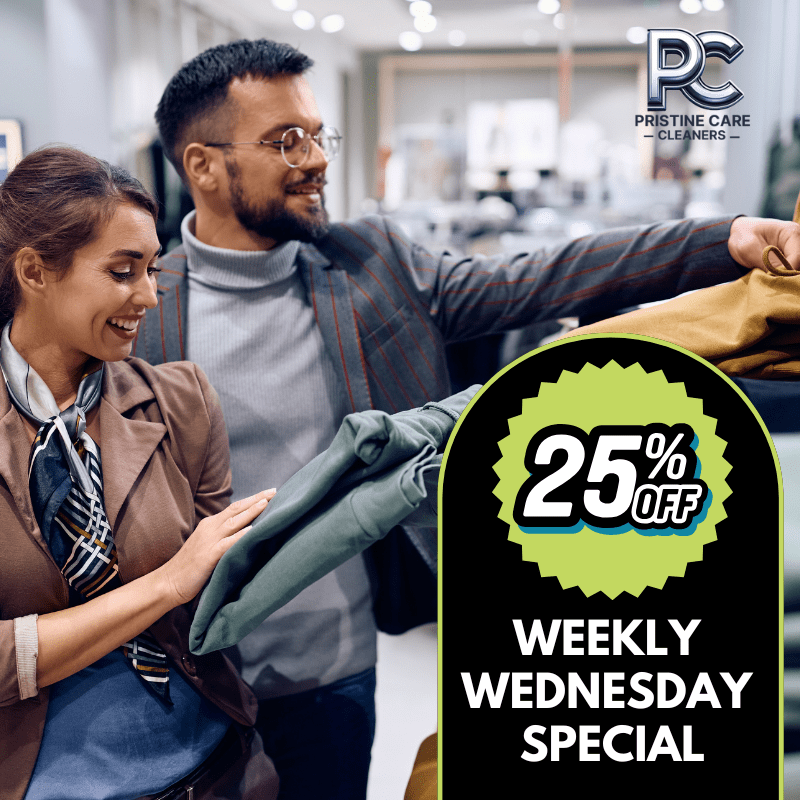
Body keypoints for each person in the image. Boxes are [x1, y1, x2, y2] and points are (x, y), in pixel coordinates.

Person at [142, 38, 800, 800]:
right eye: (287, 140)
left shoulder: (370, 266)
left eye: (320, 135)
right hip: (191, 678)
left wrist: (725, 240)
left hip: (334, 674)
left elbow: (542, 276)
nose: (316, 159)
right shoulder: (139, 308)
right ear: (203, 167)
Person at [0, 146, 280, 800]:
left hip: (214, 761)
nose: (150, 296)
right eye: (124, 271)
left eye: (153, 269)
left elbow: (216, 595)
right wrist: (168, 584)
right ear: (36, 271)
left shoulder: (181, 401)